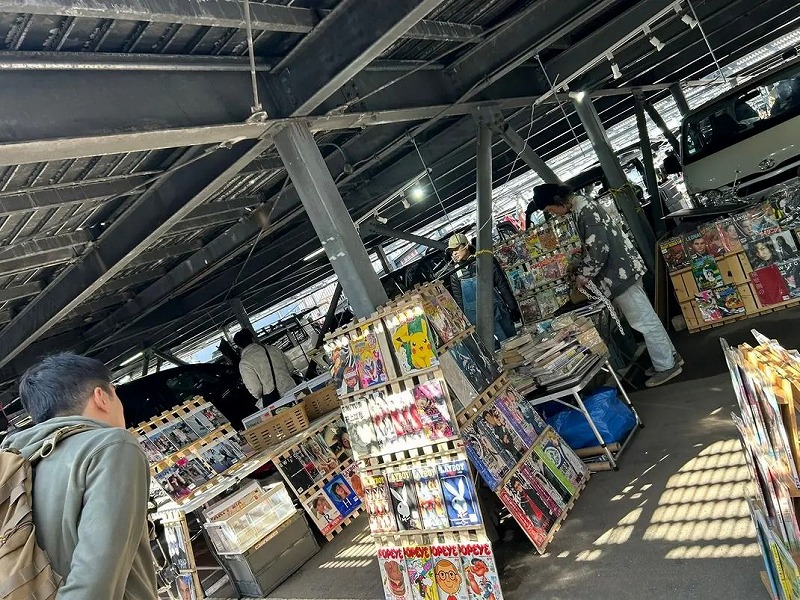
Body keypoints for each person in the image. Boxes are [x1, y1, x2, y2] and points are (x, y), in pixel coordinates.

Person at [0, 353, 158, 599]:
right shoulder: (111, 446)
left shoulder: (19, 462)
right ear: (101, 397)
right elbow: (94, 582)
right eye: (115, 393)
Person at [532, 183, 683, 387]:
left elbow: (598, 251)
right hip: (623, 270)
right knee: (646, 318)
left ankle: (666, 366)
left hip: (619, 274)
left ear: (558, 201)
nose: (553, 214)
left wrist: (583, 276)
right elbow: (596, 245)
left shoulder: (585, 211)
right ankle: (670, 356)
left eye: (551, 209)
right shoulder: (582, 206)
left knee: (644, 322)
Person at [446, 233, 520, 346]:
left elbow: (502, 285)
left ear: (466, 245)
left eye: (456, 248)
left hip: (497, 313)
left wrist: (513, 307)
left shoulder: (485, 260)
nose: (454, 253)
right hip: (477, 322)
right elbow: (459, 302)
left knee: (513, 343)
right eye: (452, 251)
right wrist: (465, 325)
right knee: (494, 351)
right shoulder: (455, 273)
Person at [233, 329, 297, 408]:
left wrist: (261, 395)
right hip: (292, 390)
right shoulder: (272, 349)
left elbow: (255, 389)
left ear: (239, 346)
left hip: (276, 402)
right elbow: (290, 367)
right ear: (252, 338)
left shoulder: (244, 363)